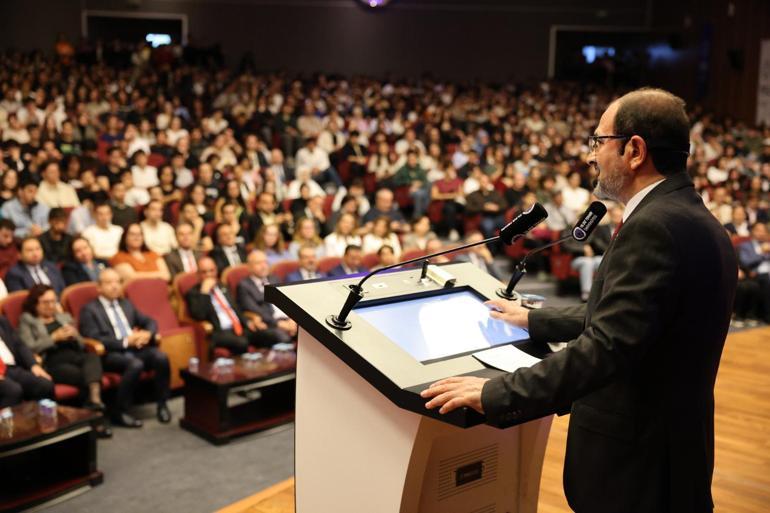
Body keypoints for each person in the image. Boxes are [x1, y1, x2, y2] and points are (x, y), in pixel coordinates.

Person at [421, 88, 738, 513]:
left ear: (634, 150)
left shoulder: (654, 228)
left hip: (634, 468)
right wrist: (534, 321)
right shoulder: (696, 219)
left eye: (598, 141)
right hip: (673, 453)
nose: (591, 155)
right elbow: (636, 320)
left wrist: (498, 393)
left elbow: (607, 347)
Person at [79, 269, 171, 427]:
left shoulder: (126, 303)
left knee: (161, 358)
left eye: (117, 282)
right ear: (99, 287)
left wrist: (147, 334)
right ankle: (119, 411)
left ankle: (162, 404)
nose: (114, 286)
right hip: (110, 354)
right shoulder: (89, 310)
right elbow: (94, 338)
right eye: (109, 283)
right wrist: (126, 342)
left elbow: (149, 321)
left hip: (136, 349)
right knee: (135, 365)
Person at [18, 285, 111, 437]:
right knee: (89, 377)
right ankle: (96, 416)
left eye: (53, 301)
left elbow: (82, 344)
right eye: (45, 302)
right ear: (35, 303)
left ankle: (93, 406)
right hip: (54, 361)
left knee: (93, 358)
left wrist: (74, 335)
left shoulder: (63, 316)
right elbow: (28, 347)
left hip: (75, 354)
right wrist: (54, 338)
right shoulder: (28, 320)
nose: (50, 306)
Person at [186, 257, 279, 355]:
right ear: (198, 274)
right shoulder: (193, 293)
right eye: (204, 272)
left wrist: (247, 322)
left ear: (216, 270)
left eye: (212, 270)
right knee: (242, 342)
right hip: (220, 332)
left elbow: (236, 308)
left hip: (239, 327)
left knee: (270, 335)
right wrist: (204, 292)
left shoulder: (222, 286)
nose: (209, 274)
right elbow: (199, 315)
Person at [235, 250, 297, 342]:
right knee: (281, 336)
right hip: (267, 324)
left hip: (286, 320)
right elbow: (254, 309)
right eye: (258, 263)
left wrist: (292, 320)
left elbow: (287, 302)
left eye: (265, 262)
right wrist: (278, 324)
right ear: (249, 267)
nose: (263, 266)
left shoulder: (274, 278)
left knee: (309, 330)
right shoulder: (244, 285)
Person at [0, 315, 55, 408]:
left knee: (44, 384)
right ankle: (9, 422)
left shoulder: (2, 321)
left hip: (12, 368)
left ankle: (42, 421)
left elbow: (19, 345)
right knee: (13, 390)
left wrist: (33, 365)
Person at [564, 205, 616, 302]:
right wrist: (583, 249)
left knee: (602, 260)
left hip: (592, 258)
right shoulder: (568, 230)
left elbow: (596, 243)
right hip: (576, 259)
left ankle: (606, 292)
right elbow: (566, 246)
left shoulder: (590, 231)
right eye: (579, 217)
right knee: (587, 262)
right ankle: (586, 293)